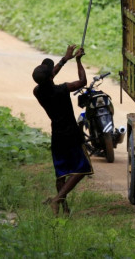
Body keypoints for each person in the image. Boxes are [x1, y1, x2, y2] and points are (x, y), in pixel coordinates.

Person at [32, 44, 91, 216]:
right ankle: (58, 199)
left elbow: (49, 77)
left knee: (61, 173)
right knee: (82, 169)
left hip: (56, 134)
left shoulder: (38, 91)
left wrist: (65, 59)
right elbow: (82, 82)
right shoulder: (61, 90)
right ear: (51, 76)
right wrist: (78, 61)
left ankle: (64, 210)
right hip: (71, 133)